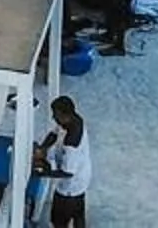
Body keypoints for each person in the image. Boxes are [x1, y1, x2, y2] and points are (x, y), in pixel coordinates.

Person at [35, 95, 92, 227]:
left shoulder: (71, 142)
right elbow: (54, 133)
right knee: (78, 212)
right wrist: (43, 148)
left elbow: (68, 173)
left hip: (70, 187)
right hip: (82, 175)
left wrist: (44, 173)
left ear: (66, 116)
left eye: (56, 115)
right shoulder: (72, 119)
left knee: (59, 220)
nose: (53, 118)